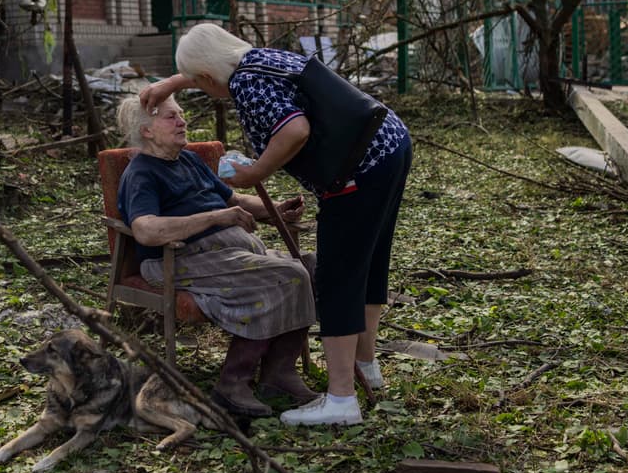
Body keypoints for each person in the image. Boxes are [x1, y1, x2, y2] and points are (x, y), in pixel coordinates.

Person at [140, 23, 411, 426]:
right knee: (368, 267)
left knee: (337, 277)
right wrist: (175, 81)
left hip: (355, 169)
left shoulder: (246, 86)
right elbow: (215, 69)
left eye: (199, 86)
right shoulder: (260, 59)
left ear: (209, 78)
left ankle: (341, 400)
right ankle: (365, 366)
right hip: (388, 145)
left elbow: (295, 130)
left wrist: (257, 171)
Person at [115, 95, 319, 418]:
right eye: (171, 117)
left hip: (228, 252)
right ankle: (232, 385)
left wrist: (275, 210)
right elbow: (146, 230)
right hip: (179, 259)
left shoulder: (190, 160)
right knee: (286, 275)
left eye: (181, 114)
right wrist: (214, 218)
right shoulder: (141, 173)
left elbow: (232, 198)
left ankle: (278, 375)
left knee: (311, 266)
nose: (182, 121)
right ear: (147, 131)